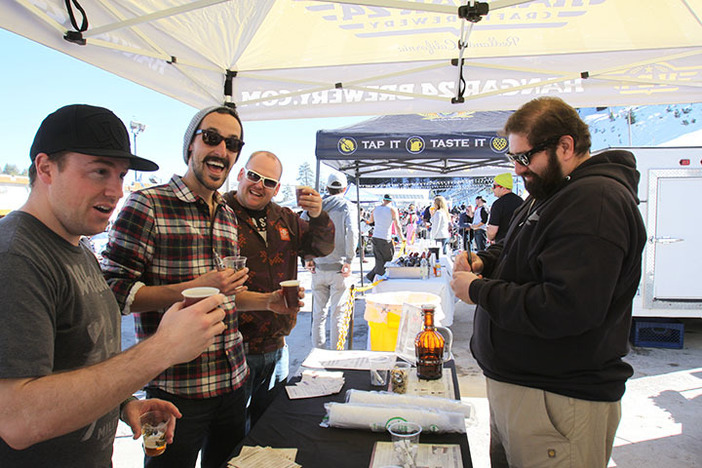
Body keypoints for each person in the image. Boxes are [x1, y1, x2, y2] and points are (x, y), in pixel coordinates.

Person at [0, 104, 228, 466]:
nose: (116, 190)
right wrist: (163, 348)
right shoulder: (16, 256)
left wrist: (124, 403)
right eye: (99, 171)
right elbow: (17, 418)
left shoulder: (78, 246)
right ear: (45, 168)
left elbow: (80, 359)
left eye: (120, 175)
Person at [450, 96, 646, 467]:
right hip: (528, 389)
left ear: (565, 146)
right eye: (513, 159)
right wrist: (483, 260)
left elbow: (566, 307)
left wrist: (477, 290)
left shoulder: (594, 200)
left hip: (558, 399)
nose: (519, 169)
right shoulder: (552, 191)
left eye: (524, 158)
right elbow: (516, 251)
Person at [101, 106, 298, 468]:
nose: (221, 149)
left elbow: (227, 296)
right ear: (190, 144)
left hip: (234, 381)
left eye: (232, 143)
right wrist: (193, 287)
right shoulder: (148, 205)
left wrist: (270, 302)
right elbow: (111, 291)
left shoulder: (225, 213)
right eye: (211, 138)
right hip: (175, 390)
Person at [222, 151, 334, 428]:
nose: (260, 185)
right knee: (231, 437)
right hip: (230, 351)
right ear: (240, 175)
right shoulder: (219, 214)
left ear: (277, 189)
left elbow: (321, 247)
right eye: (254, 176)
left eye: (269, 182)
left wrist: (318, 215)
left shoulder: (284, 218)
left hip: (277, 347)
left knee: (271, 430)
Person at [304, 173, 358, 349]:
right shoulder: (347, 206)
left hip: (319, 268)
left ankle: (317, 353)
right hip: (339, 269)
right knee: (338, 315)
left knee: (318, 315)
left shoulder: (315, 207)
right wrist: (349, 259)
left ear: (326, 188)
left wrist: (307, 256)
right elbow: (352, 232)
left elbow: (301, 228)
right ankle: (336, 355)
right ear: (344, 188)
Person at [365, 194, 404, 282]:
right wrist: (402, 237)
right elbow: (397, 225)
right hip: (385, 237)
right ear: (391, 201)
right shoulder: (392, 209)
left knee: (379, 259)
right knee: (388, 259)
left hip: (376, 236)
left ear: (383, 200)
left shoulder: (375, 209)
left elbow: (371, 221)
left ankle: (372, 276)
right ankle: (377, 277)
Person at [486, 172, 524, 243]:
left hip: (503, 245)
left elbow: (492, 231)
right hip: (519, 243)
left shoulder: (498, 204)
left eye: (494, 186)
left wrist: (489, 236)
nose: (492, 189)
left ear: (503, 188)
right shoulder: (521, 201)